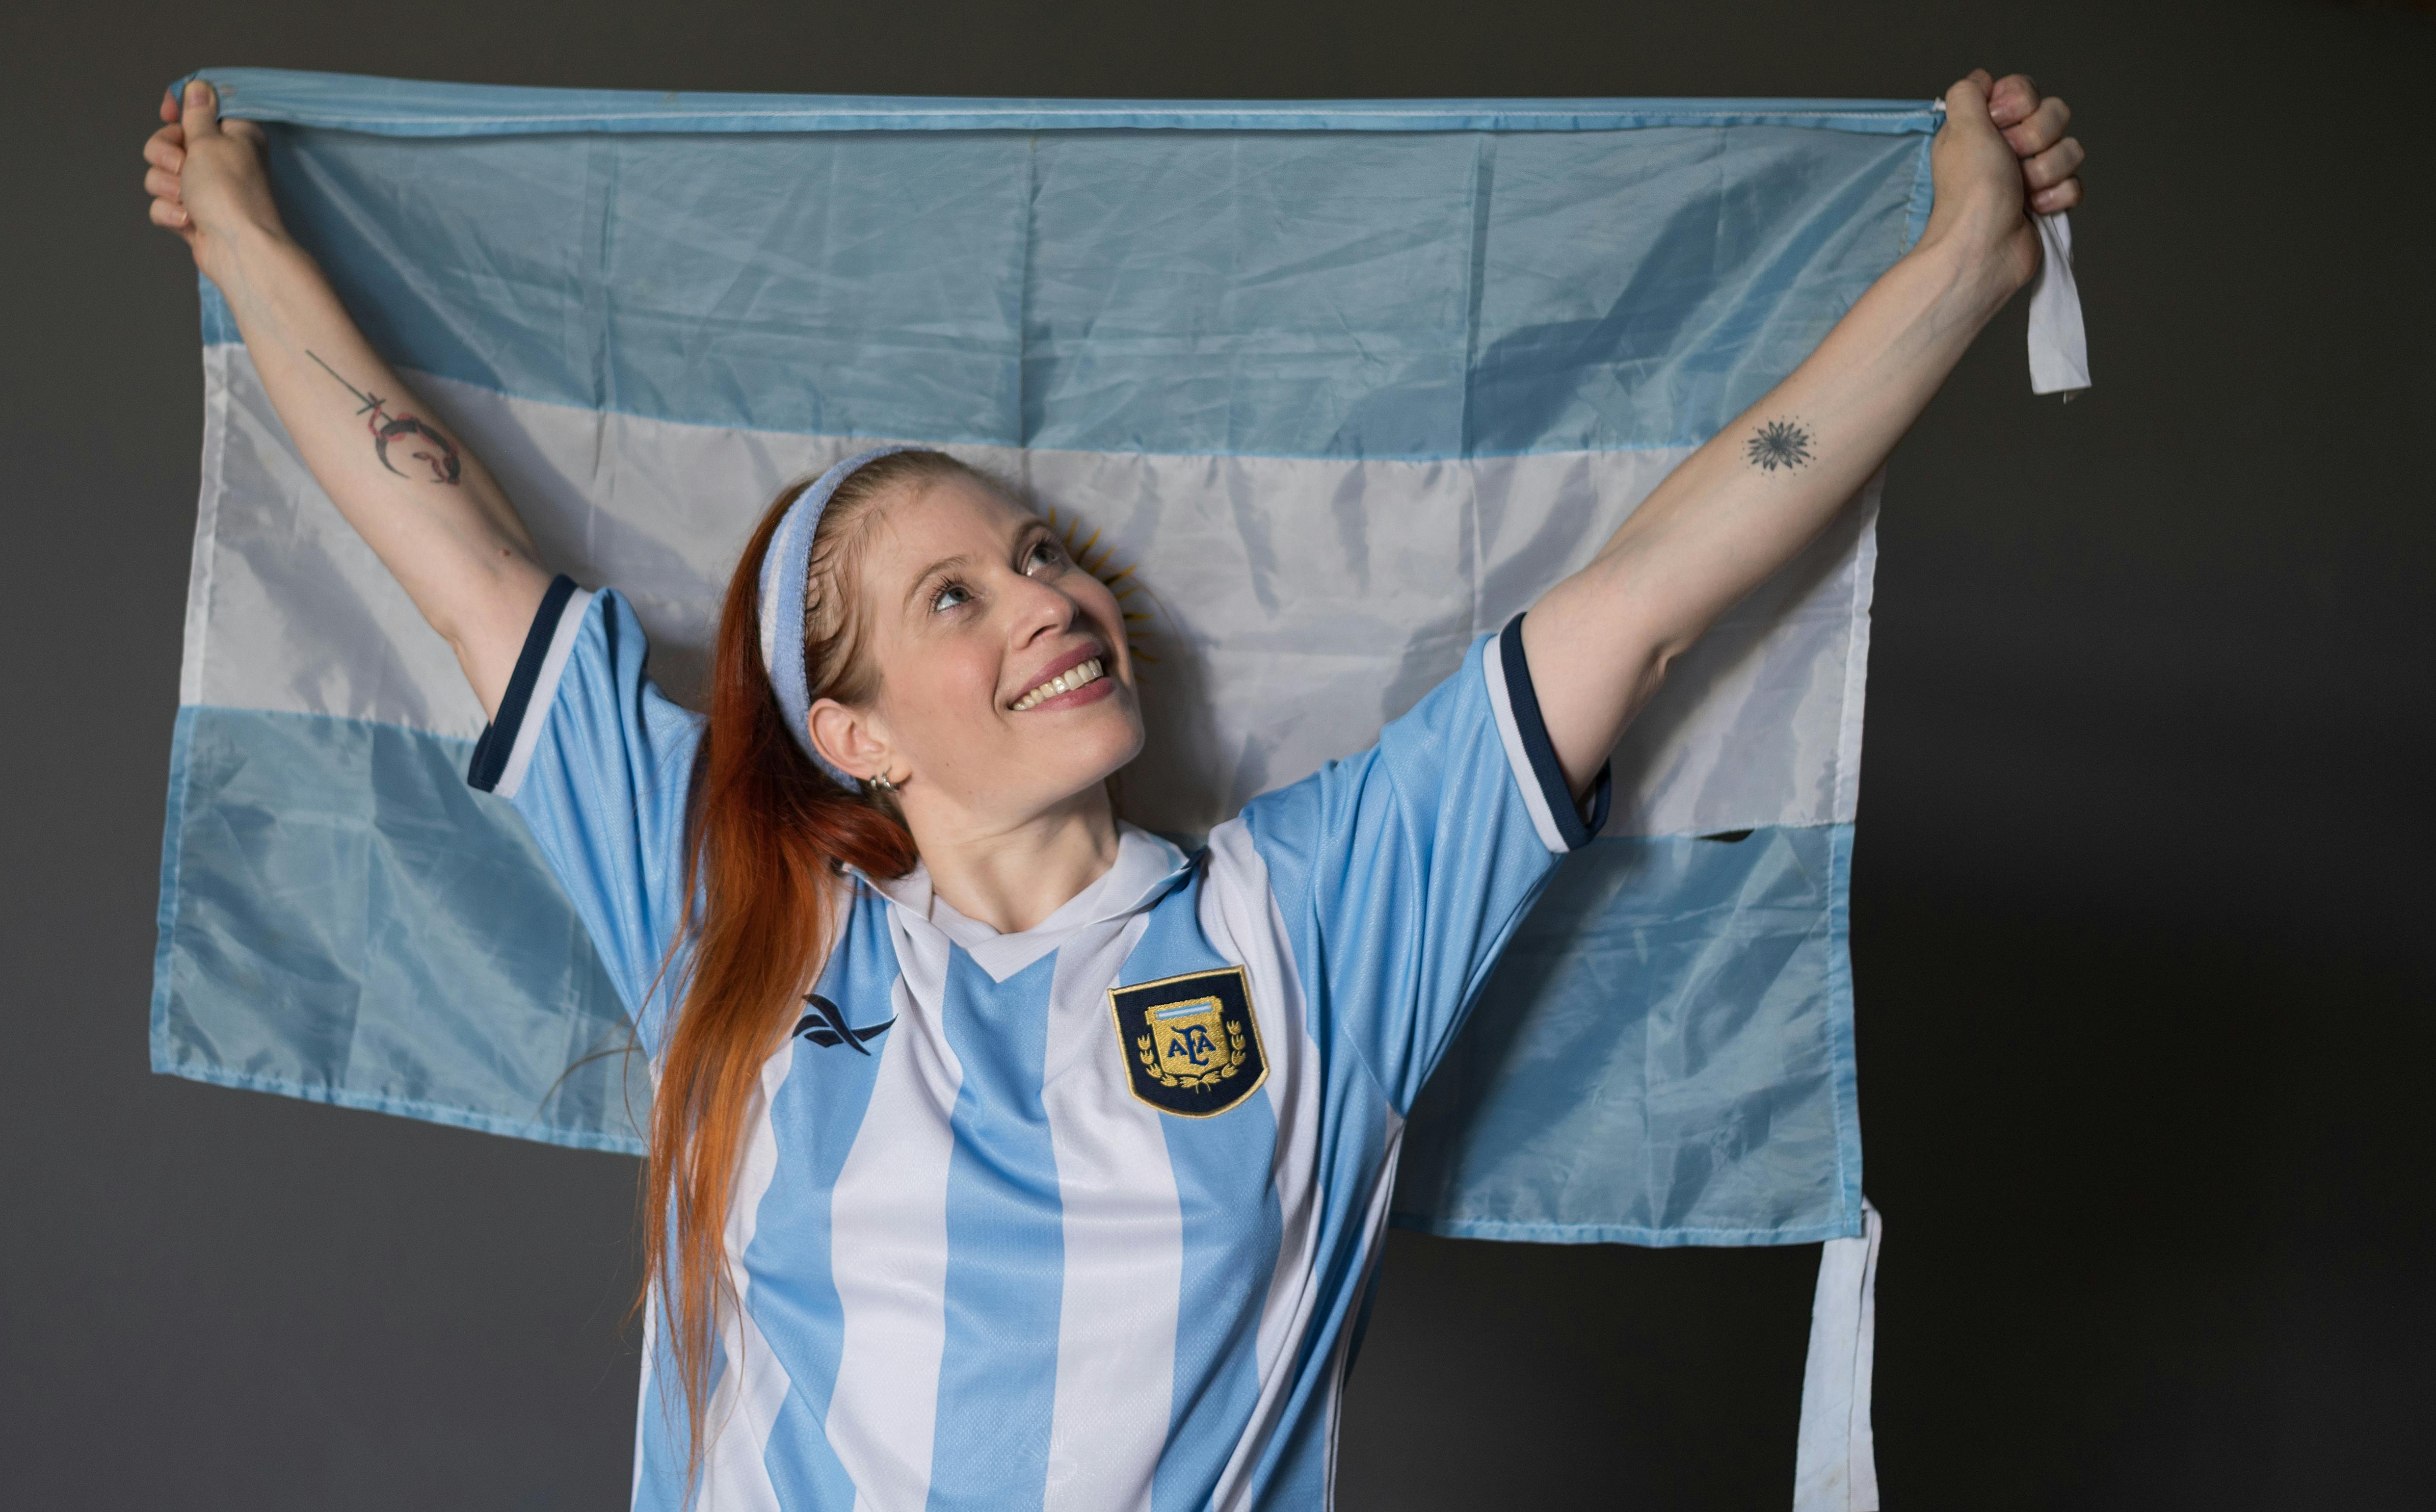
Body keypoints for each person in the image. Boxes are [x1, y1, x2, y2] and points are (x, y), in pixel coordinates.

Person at [140, 70, 2083, 1510]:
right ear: (858, 731)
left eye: (1051, 552)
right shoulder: (728, 914)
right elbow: (456, 551)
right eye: (956, 596)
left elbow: (1655, 592)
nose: (1054, 601)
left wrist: (1959, 264)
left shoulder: (1318, 913)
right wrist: (241, 230)